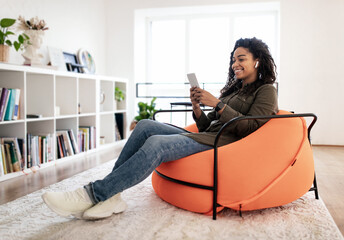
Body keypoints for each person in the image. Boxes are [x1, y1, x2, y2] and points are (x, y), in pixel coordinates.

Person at [42, 37, 278, 220]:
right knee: (145, 126)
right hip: (207, 135)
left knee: (156, 144)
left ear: (257, 60)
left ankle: (92, 194)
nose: (235, 64)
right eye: (234, 59)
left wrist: (217, 103)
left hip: (221, 144)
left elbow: (250, 129)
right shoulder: (234, 89)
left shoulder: (266, 90)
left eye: (242, 58)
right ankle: (112, 194)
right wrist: (197, 107)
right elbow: (208, 125)